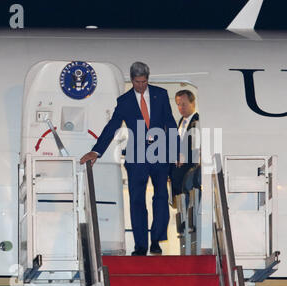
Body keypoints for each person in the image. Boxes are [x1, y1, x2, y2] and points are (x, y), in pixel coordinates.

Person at [80, 62, 179, 256]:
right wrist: (96, 151)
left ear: (148, 79)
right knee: (136, 201)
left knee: (161, 197)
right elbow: (113, 126)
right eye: (137, 82)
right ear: (132, 79)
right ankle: (141, 245)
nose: (141, 86)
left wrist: (175, 151)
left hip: (160, 153)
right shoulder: (124, 101)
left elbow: (170, 123)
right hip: (137, 157)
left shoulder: (161, 94)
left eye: (144, 82)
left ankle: (156, 240)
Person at [170, 90, 200, 196]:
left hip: (189, 173)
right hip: (178, 172)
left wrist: (184, 155)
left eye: (184, 104)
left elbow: (197, 148)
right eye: (178, 104)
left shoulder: (198, 121)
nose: (181, 107)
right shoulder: (181, 121)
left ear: (193, 103)